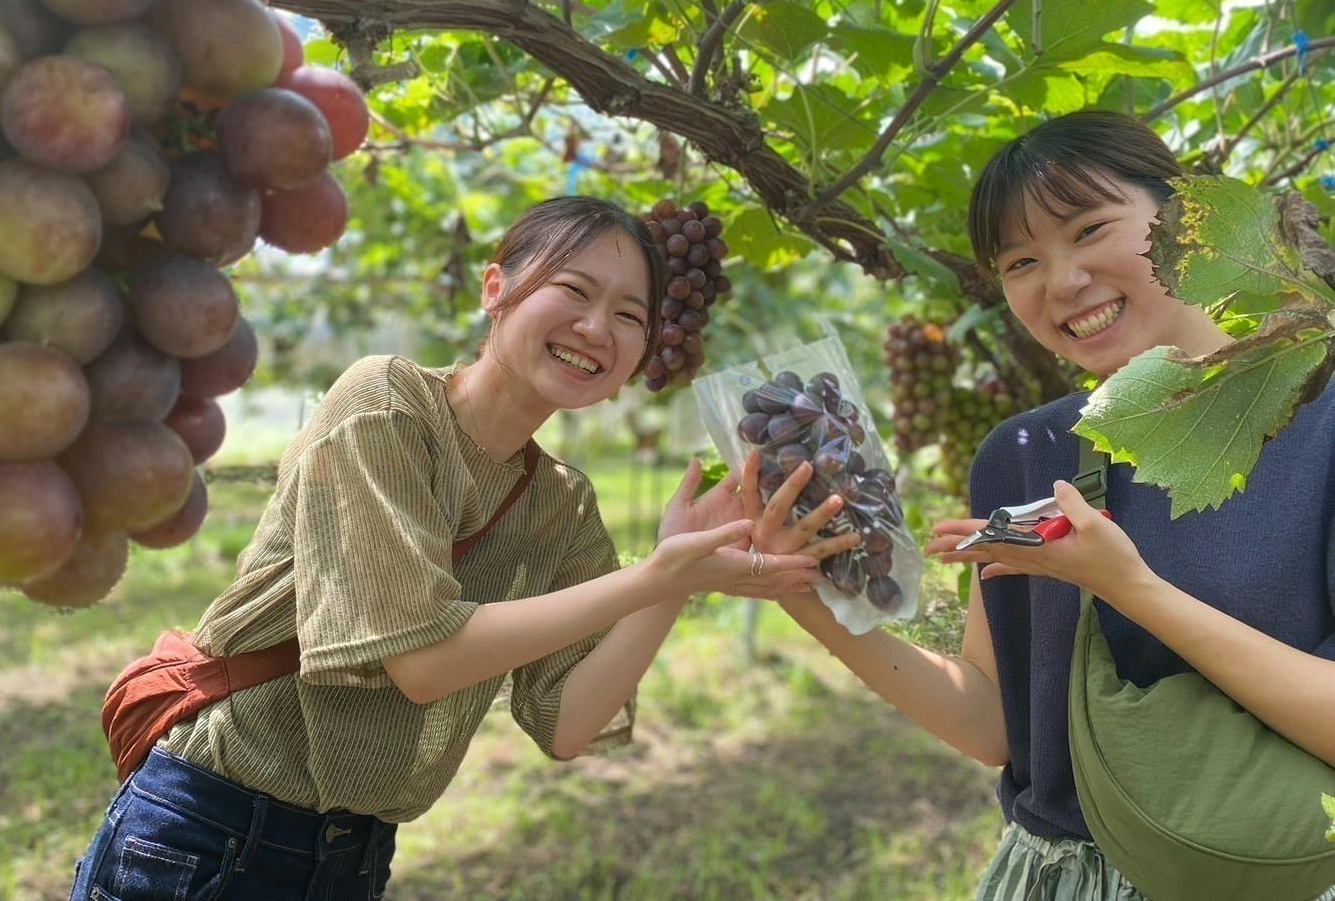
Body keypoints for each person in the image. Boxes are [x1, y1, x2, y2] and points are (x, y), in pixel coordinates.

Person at [70, 196, 852, 901]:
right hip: (211, 832)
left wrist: (675, 580)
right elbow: (424, 662)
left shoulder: (560, 502)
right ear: (495, 289)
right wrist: (652, 574)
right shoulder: (385, 404)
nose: (595, 329)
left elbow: (569, 724)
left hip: (354, 856)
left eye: (629, 316)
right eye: (574, 291)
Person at [743, 111, 1335, 899]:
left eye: (1088, 229)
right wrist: (807, 594)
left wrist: (1129, 589)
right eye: (1020, 261)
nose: (1060, 282)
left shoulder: (1319, 415)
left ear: (1185, 219)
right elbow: (995, 725)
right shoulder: (1025, 455)